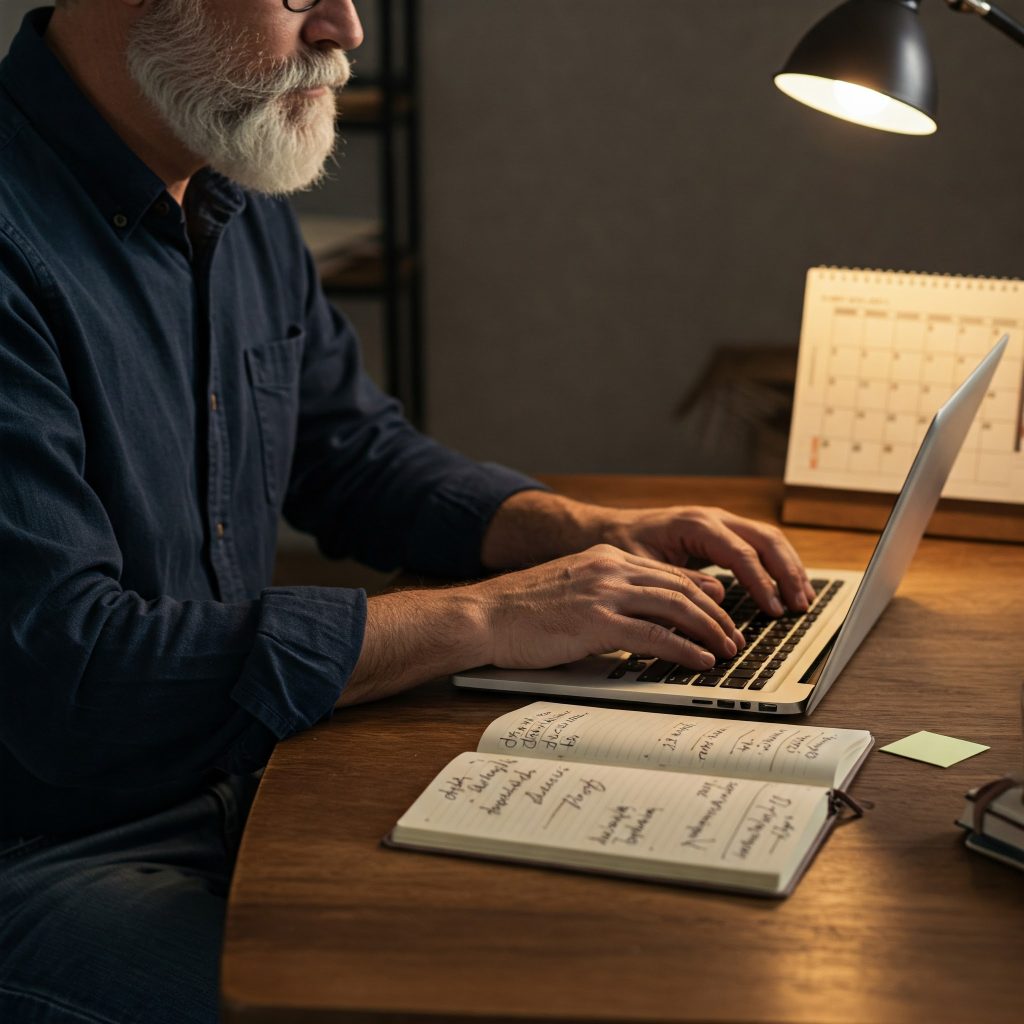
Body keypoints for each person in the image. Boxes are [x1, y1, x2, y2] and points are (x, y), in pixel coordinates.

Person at [0, 2, 816, 1022]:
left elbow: (348, 453)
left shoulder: (226, 183)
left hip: (254, 775)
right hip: (51, 851)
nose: (346, 28)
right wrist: (486, 614)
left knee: (615, 945)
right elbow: (73, 673)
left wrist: (584, 532)